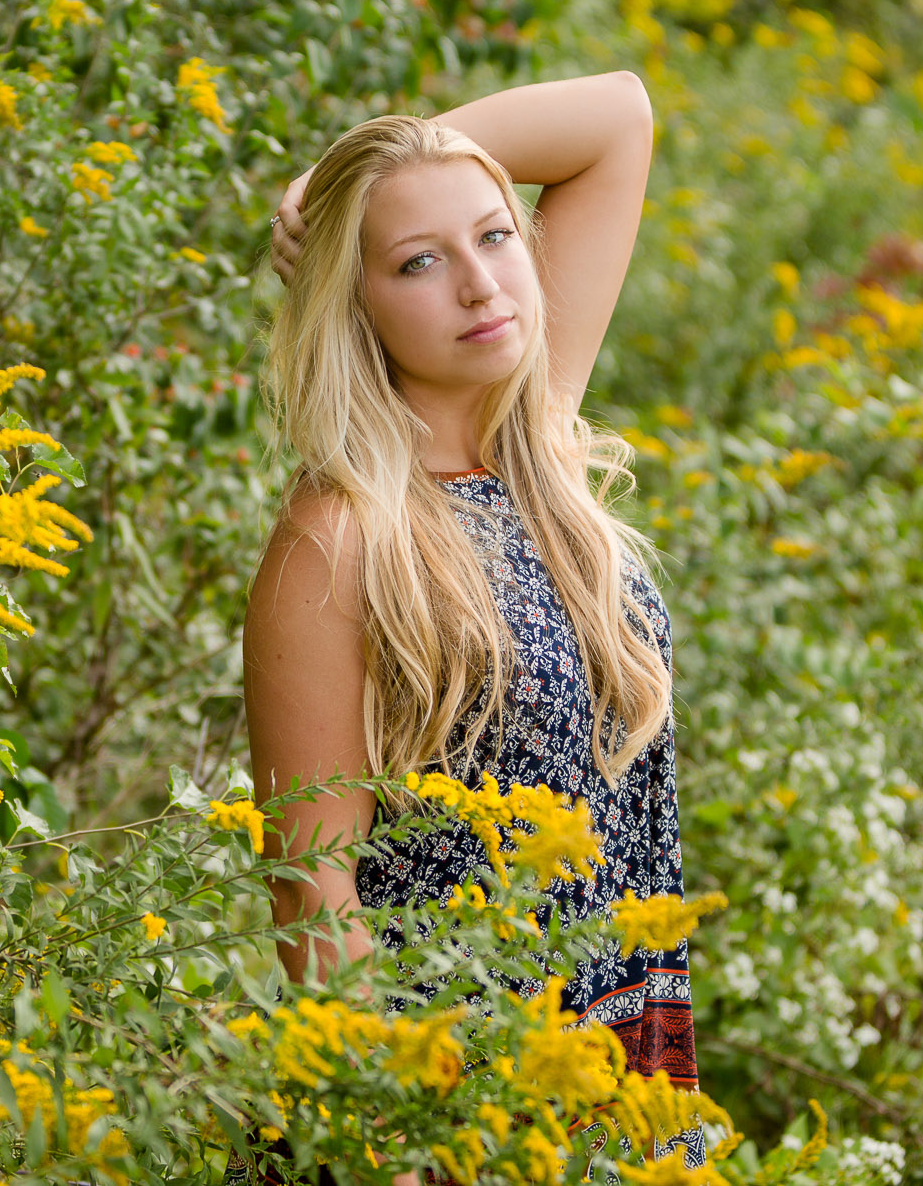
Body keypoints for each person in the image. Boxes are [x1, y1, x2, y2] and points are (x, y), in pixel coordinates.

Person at [237, 73, 703, 1180]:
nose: (481, 282)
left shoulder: (537, 440)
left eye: (495, 234)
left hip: (621, 1081)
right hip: (447, 1103)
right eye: (417, 261)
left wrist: (370, 171)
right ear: (355, 302)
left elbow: (617, 119)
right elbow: (315, 891)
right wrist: (387, 1145)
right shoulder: (339, 536)